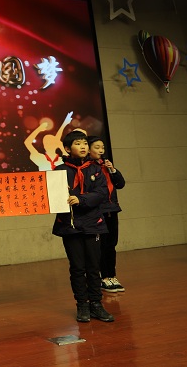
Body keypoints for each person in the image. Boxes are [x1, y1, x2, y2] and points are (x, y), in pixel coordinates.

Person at [52, 130, 114, 323]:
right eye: (78, 143)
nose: (83, 147)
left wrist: (80, 199)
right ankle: (82, 305)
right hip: (70, 225)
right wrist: (62, 195)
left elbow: (102, 193)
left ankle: (96, 304)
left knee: (94, 267)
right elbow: (53, 196)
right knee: (78, 268)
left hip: (93, 223)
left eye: (85, 143)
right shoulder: (59, 171)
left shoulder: (95, 169)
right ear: (67, 148)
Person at [87, 136, 126, 293]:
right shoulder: (88, 168)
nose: (101, 150)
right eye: (97, 147)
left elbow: (120, 184)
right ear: (88, 150)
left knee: (111, 244)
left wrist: (113, 170)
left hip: (112, 209)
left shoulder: (106, 165)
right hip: (98, 211)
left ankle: (111, 275)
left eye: (102, 147)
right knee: (101, 246)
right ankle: (103, 278)